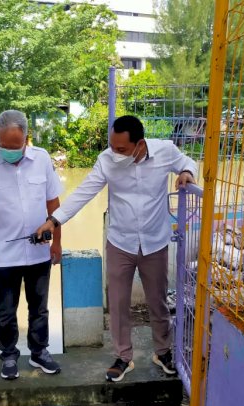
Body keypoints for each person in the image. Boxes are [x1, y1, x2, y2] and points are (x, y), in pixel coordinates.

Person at [35, 115, 198, 382]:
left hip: (155, 241)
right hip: (120, 242)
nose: (115, 152)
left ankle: (163, 351)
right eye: (112, 146)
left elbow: (188, 162)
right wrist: (54, 220)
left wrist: (187, 173)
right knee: (118, 303)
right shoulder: (107, 160)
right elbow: (84, 192)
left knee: (157, 301)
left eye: (121, 148)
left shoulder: (165, 151)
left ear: (140, 144)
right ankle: (123, 357)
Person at [0, 110, 64, 381]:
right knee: (7, 309)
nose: (8, 150)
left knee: (40, 306)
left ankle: (39, 352)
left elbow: (54, 205)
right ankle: (9, 356)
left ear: (26, 138)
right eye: (3, 145)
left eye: (15, 145)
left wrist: (57, 242)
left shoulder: (42, 159)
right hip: (5, 254)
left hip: (39, 251)